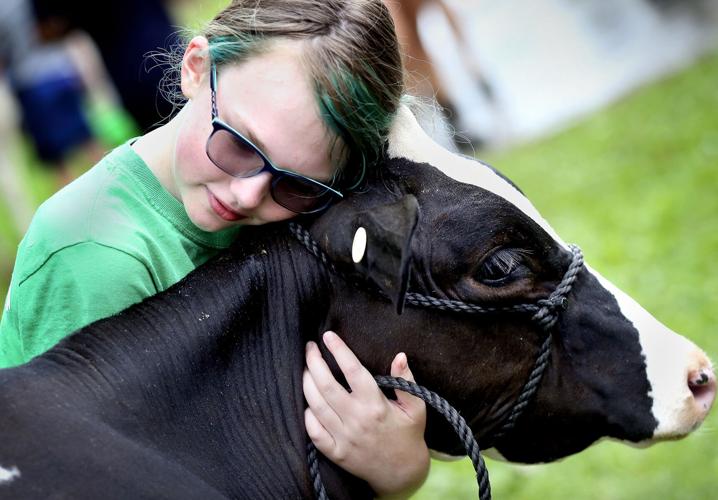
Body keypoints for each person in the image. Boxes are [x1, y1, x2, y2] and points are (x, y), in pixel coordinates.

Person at [0, 0, 430, 496]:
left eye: (294, 184)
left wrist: (400, 466)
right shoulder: (96, 257)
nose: (247, 194)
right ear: (196, 68)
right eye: (239, 143)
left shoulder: (311, 211)